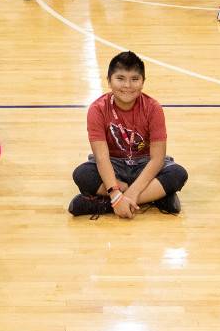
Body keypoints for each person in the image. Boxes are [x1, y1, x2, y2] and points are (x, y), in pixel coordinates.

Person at [70, 49, 188, 217]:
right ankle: (156, 198)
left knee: (177, 174)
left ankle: (105, 204)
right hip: (113, 165)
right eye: (120, 79)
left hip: (144, 163)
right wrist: (115, 192)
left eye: (134, 79)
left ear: (143, 82)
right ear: (109, 81)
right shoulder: (97, 109)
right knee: (82, 175)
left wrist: (130, 194)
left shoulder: (153, 108)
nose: (127, 85)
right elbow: (102, 157)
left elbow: (157, 159)